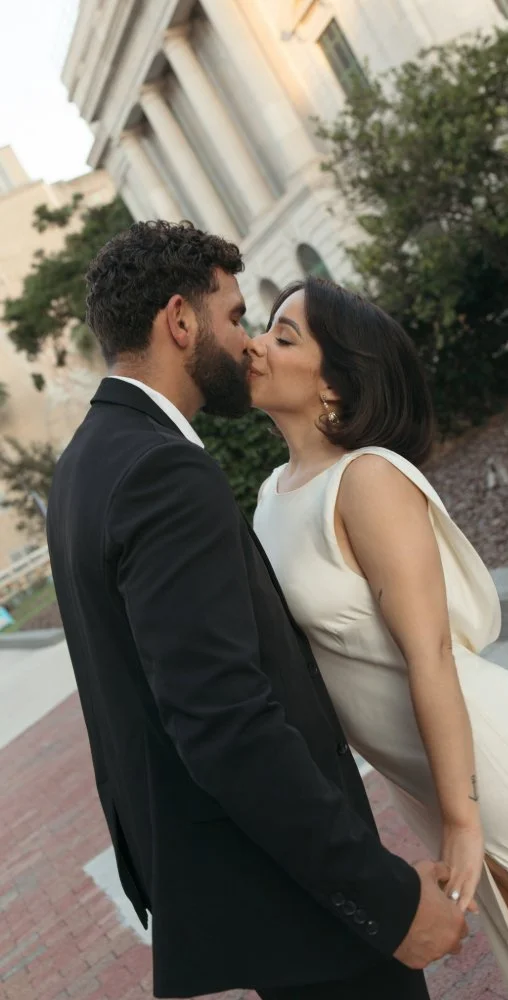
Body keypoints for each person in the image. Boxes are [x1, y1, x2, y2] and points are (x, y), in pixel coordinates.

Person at [46, 222, 468, 1000]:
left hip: (235, 883)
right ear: (179, 321)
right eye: (234, 315)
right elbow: (223, 719)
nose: (244, 342)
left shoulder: (82, 467)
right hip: (293, 895)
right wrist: (383, 899)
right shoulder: (162, 471)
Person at [251, 276, 508, 1000]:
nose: (256, 346)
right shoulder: (269, 496)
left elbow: (430, 653)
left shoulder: (369, 479)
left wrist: (460, 818)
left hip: (487, 768)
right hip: (429, 779)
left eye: (284, 337)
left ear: (337, 387)